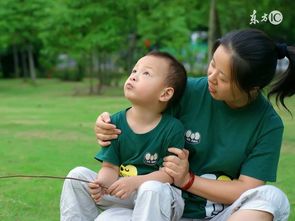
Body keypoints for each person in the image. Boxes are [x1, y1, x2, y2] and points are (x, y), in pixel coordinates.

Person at [94, 29, 294, 221]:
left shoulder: (268, 124)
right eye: (213, 64)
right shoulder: (188, 92)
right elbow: (139, 122)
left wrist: (188, 179)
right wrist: (107, 126)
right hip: (163, 208)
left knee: (271, 197)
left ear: (252, 88)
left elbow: (246, 188)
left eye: (222, 78)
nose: (211, 77)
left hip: (223, 215)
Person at [60, 51, 187, 221]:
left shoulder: (173, 128)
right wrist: (102, 184)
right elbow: (110, 167)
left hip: (159, 199)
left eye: (146, 73)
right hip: (123, 193)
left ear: (165, 94)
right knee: (76, 176)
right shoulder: (115, 122)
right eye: (134, 71)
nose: (134, 76)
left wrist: (135, 182)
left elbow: (169, 175)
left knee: (150, 188)